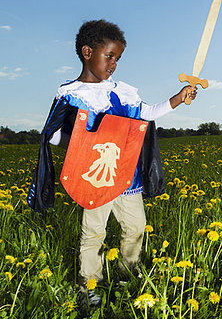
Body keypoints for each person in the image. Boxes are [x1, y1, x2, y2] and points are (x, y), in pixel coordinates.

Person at [27, 19, 197, 306]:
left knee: (136, 228)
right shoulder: (71, 94)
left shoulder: (123, 91)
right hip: (93, 178)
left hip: (128, 177)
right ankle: (89, 287)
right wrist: (82, 145)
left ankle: (126, 276)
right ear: (87, 52)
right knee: (93, 233)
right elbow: (54, 135)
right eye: (110, 56)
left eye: (117, 58)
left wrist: (177, 99)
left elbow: (147, 114)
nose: (114, 64)